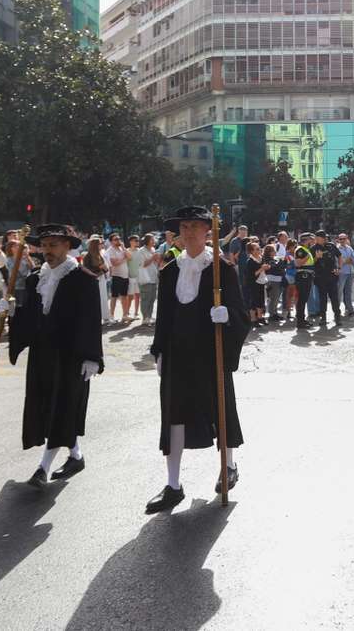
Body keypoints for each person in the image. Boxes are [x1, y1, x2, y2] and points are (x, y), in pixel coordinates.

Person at [146, 206, 251, 513]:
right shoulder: (169, 271)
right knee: (174, 416)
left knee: (220, 410)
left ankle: (228, 466)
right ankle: (173, 485)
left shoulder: (222, 269)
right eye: (185, 226)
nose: (189, 231)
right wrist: (159, 351)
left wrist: (227, 316)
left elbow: (242, 316)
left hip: (210, 354)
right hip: (178, 355)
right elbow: (163, 316)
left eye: (196, 226)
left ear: (208, 231)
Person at [6, 224, 103, 489]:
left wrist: (92, 357)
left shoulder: (83, 278)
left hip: (71, 355)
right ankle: (76, 456)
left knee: (63, 406)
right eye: (44, 245)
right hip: (43, 354)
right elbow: (31, 317)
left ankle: (42, 468)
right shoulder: (36, 278)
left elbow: (92, 320)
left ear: (67, 246)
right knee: (49, 407)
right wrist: (12, 312)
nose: (47, 250)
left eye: (54, 245)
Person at [312, 230, 342, 326]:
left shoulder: (331, 246)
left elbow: (340, 256)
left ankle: (337, 318)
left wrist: (339, 268)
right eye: (317, 238)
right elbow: (310, 262)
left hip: (332, 276)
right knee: (322, 298)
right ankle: (323, 318)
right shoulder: (314, 248)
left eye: (320, 238)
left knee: (334, 298)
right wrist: (316, 258)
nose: (317, 240)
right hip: (321, 277)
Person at [82, 237, 109, 324]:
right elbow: (87, 270)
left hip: (101, 279)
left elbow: (105, 269)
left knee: (103, 298)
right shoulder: (87, 256)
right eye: (100, 243)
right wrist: (99, 270)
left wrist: (103, 269)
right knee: (96, 299)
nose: (102, 245)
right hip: (93, 280)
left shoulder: (99, 255)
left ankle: (104, 317)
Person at [106, 234, 132, 323]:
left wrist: (124, 248)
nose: (118, 240)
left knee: (124, 296)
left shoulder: (122, 248)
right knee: (114, 296)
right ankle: (111, 316)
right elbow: (115, 263)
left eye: (119, 239)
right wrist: (124, 259)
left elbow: (130, 257)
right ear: (111, 241)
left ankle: (125, 315)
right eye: (115, 239)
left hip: (125, 275)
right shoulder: (110, 250)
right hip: (116, 276)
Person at [293, 233, 316, 329]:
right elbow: (298, 264)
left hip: (307, 276)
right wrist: (307, 256)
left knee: (304, 299)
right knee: (302, 299)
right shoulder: (300, 250)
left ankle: (302, 319)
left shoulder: (306, 249)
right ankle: (300, 321)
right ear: (306, 240)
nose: (312, 241)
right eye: (311, 239)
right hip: (303, 276)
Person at [139, 234, 160, 325]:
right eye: (152, 239)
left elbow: (154, 263)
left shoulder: (152, 249)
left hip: (153, 277)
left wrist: (156, 260)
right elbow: (143, 264)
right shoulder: (141, 251)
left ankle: (149, 316)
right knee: (145, 299)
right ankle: (145, 317)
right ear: (147, 240)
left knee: (152, 299)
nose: (154, 241)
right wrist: (153, 258)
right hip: (145, 278)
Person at [337, 233, 354, 317]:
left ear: (346, 239)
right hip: (342, 272)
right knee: (339, 292)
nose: (342, 240)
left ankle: (350, 310)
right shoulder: (337, 248)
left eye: (344, 239)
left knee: (348, 292)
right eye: (340, 239)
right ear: (338, 240)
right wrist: (347, 260)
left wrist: (346, 261)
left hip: (350, 272)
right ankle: (337, 310)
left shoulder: (349, 248)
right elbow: (339, 261)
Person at [126, 235, 143, 321]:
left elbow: (141, 264)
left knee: (137, 295)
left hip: (138, 277)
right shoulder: (127, 251)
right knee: (130, 296)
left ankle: (136, 313)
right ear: (131, 241)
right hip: (130, 277)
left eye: (138, 240)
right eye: (135, 240)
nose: (137, 242)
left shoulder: (140, 251)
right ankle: (127, 313)